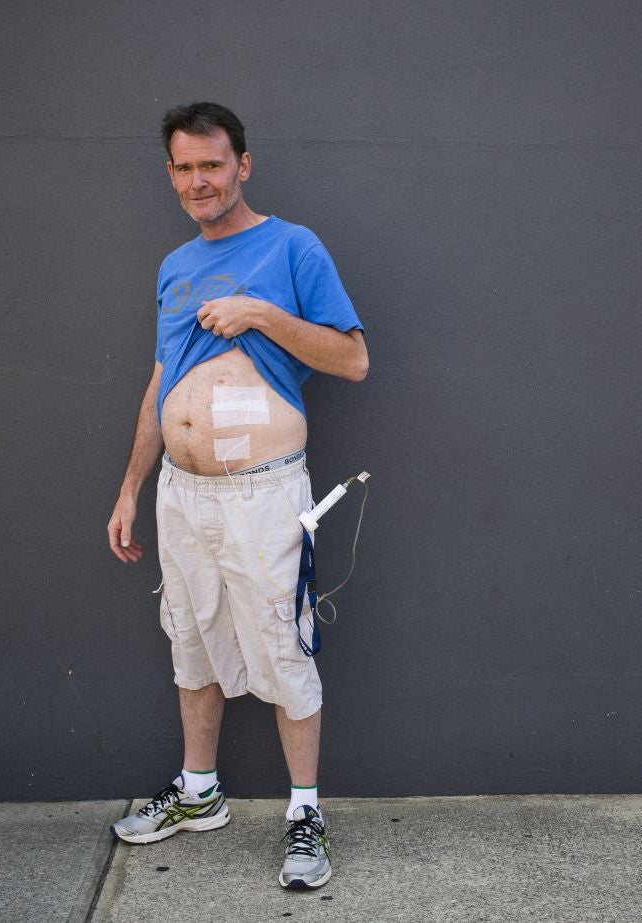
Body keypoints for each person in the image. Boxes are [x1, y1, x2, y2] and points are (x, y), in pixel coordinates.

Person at [106, 102, 368, 891]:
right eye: (183, 167)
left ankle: (303, 813)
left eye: (212, 165)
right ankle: (199, 792)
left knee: (280, 646)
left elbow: (352, 360)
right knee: (190, 640)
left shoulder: (293, 247)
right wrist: (130, 487)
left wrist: (260, 312)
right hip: (182, 495)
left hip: (261, 493)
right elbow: (162, 382)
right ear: (170, 173)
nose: (198, 181)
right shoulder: (173, 265)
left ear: (242, 165)